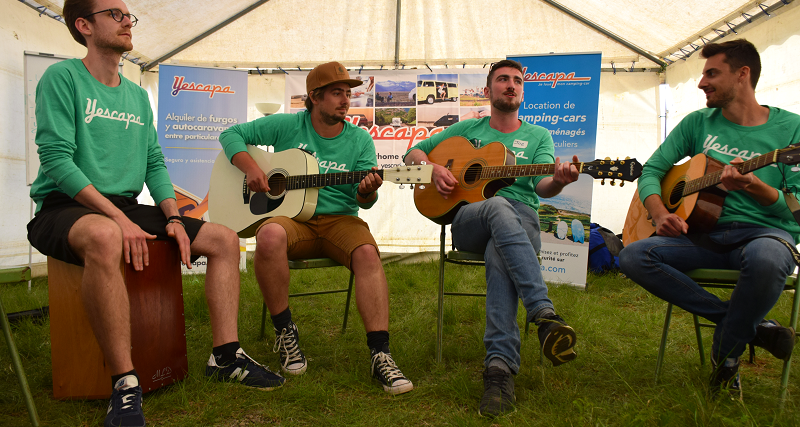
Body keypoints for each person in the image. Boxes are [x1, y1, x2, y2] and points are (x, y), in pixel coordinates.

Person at [27, 0, 284, 427]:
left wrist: (174, 217)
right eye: (115, 14)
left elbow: (153, 162)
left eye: (129, 16)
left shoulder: (135, 95)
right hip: (63, 204)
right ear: (84, 26)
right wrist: (113, 218)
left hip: (124, 205)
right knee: (108, 234)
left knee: (223, 239)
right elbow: (56, 160)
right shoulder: (63, 78)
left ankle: (225, 357)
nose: (128, 22)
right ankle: (125, 387)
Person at [218, 62, 414, 395]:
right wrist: (251, 167)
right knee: (268, 234)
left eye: (348, 94)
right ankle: (285, 331)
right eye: (337, 93)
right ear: (314, 97)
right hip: (294, 220)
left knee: (367, 253)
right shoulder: (287, 125)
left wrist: (367, 190)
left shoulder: (359, 139)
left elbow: (364, 202)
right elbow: (230, 134)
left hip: (341, 220)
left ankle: (380, 353)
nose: (345, 100)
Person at [619, 39, 799, 400]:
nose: (702, 82)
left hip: (763, 234)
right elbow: (653, 169)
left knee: (767, 260)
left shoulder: (790, 130)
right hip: (701, 237)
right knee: (633, 256)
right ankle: (747, 327)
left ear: (742, 74)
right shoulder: (697, 123)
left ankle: (726, 355)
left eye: (712, 73)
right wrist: (660, 212)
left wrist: (753, 187)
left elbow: (796, 208)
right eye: (703, 74)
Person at [404, 59, 580, 417]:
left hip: (523, 218)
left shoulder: (538, 136)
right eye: (502, 79)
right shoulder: (466, 131)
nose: (510, 85)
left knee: (503, 245)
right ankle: (543, 314)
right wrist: (433, 168)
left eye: (517, 80)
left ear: (522, 92)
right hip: (469, 220)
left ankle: (498, 372)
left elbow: (543, 187)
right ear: (488, 91)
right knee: (499, 205)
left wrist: (560, 180)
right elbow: (413, 153)